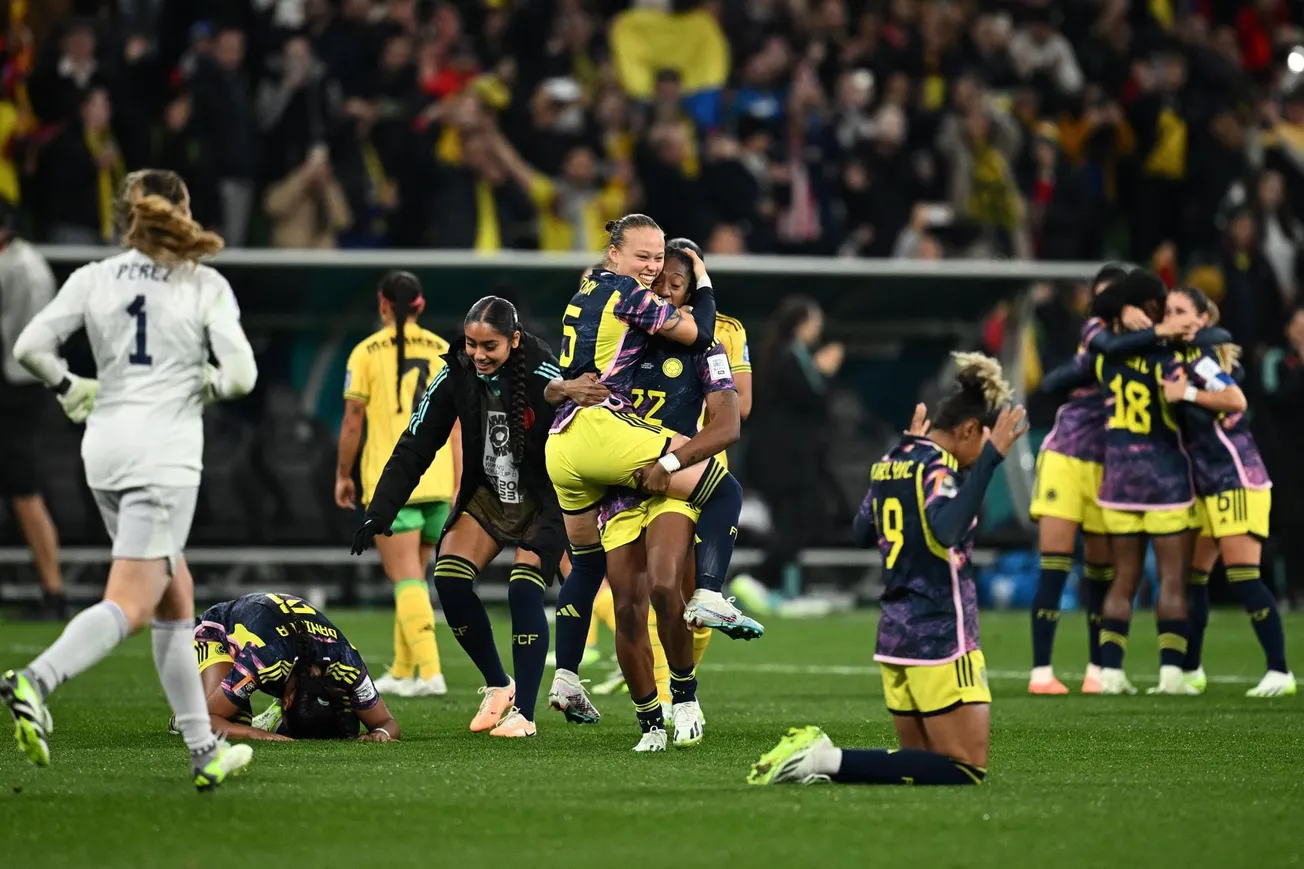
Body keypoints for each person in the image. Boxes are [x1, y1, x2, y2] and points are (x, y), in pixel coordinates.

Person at [2, 168, 257, 791]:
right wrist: (209, 383)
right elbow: (242, 374)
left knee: (175, 594)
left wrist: (69, 386)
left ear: (127, 218)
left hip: (105, 450)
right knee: (135, 602)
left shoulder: (93, 277)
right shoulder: (203, 283)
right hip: (162, 458)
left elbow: (29, 347)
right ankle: (35, 680)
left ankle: (203, 750)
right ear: (183, 211)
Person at [748, 354, 1028, 786]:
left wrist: (892, 472)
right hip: (940, 634)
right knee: (965, 768)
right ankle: (823, 760)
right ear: (970, 430)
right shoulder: (940, 469)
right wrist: (990, 461)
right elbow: (948, 529)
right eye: (982, 443)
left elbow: (863, 532)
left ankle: (823, 765)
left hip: (895, 635)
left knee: (916, 767)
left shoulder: (893, 460)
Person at [351, 296, 608, 738]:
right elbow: (416, 441)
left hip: (547, 496)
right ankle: (498, 684)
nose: (478, 354)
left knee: (523, 590)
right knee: (449, 579)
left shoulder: (543, 368)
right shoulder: (455, 371)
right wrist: (380, 510)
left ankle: (524, 714)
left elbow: (581, 418)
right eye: (471, 344)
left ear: (514, 339)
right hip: (489, 491)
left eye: (489, 345)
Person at [545, 213, 761, 714]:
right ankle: (657, 706)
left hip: (653, 458)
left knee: (659, 583)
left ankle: (659, 689)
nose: (656, 275)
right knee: (633, 600)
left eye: (667, 269)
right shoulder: (634, 307)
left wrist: (675, 455)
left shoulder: (711, 332)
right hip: (622, 457)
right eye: (646, 260)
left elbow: (735, 413)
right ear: (615, 255)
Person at [1027, 263, 1189, 693]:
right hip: (1066, 454)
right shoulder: (1098, 336)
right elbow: (1056, 379)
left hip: (1110, 466)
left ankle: (1101, 669)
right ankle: (1041, 671)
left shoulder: (1140, 346)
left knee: (1103, 571)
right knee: (1056, 563)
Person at [1161, 288, 1295, 698]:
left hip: (1235, 478)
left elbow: (1235, 397)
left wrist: (1184, 394)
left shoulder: (1201, 362)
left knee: (1243, 575)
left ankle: (1280, 671)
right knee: (1193, 579)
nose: (1170, 316)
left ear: (1201, 320)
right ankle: (1190, 671)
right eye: (1167, 311)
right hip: (1206, 485)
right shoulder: (1181, 361)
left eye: (1180, 311)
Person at [336, 270, 460, 698]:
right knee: (414, 576)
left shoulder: (365, 352)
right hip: (440, 478)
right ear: (421, 306)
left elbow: (353, 421)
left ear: (382, 304)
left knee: (404, 575)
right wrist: (460, 478)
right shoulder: (445, 349)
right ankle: (405, 669)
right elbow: (460, 423)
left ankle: (429, 672)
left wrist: (342, 475)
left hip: (394, 480)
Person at [1092, 270, 1200, 696]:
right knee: (1172, 581)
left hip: (1118, 480)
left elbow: (1102, 335)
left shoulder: (1105, 356)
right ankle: (1171, 676)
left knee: (1123, 580)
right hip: (1165, 481)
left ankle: (1111, 674)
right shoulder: (1167, 359)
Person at [189, 592, 399, 741]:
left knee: (232, 723)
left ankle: (269, 716)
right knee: (232, 722)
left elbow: (387, 723)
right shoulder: (265, 660)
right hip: (217, 630)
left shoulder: (346, 663)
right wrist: (257, 733)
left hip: (277, 635)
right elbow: (208, 722)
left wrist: (382, 734)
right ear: (287, 701)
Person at [748, 296, 844, 601]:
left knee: (795, 524)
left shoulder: (791, 355)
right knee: (797, 523)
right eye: (815, 323)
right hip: (785, 460)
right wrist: (824, 372)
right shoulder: (788, 358)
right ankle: (756, 580)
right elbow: (811, 401)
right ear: (801, 324)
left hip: (789, 459)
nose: (819, 329)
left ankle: (783, 590)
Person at [0, 200, 67, 619]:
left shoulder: (14, 266)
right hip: (25, 383)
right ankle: (52, 590)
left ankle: (54, 591)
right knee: (24, 493)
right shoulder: (29, 261)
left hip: (15, 388)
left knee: (24, 492)